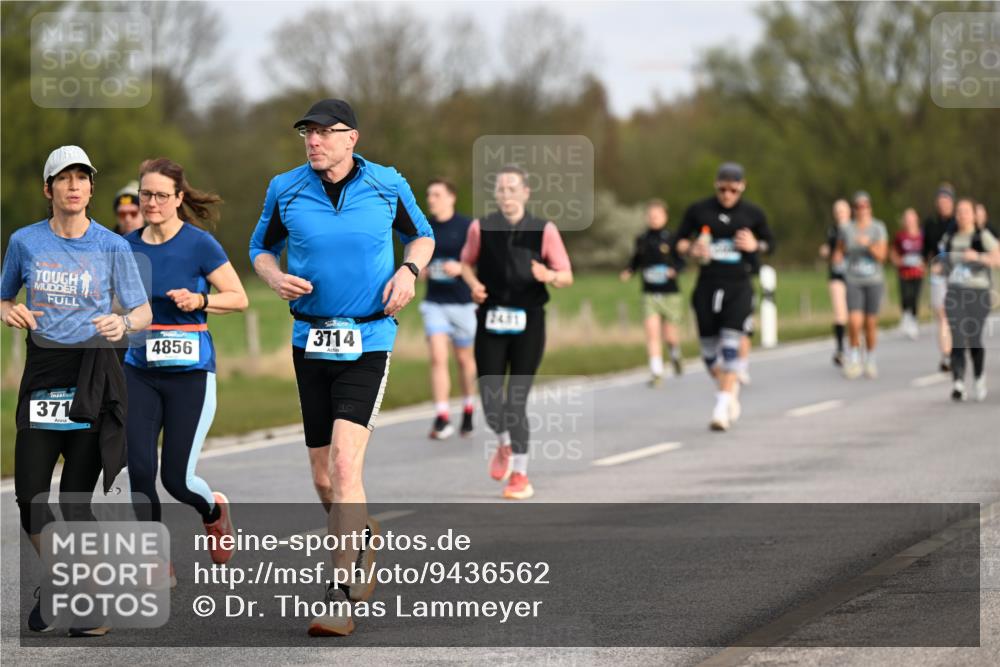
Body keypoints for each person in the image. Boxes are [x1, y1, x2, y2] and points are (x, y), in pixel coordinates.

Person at [249, 99, 434, 636]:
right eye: (307, 132)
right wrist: (271, 276)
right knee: (324, 476)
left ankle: (337, 594)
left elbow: (422, 234)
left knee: (348, 468)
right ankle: (363, 535)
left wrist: (409, 271)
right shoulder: (285, 188)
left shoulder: (386, 183)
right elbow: (260, 247)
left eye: (325, 132)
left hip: (369, 336)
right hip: (310, 338)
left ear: (351, 137)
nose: (313, 141)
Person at [1, 146, 152, 636]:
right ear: (48, 190)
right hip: (43, 373)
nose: (73, 186)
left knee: (75, 501)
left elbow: (142, 312)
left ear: (91, 188)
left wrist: (122, 321)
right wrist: (8, 310)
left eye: (81, 178)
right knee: (29, 496)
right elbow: (4, 295)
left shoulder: (113, 246)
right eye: (62, 178)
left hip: (93, 372)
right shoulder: (24, 242)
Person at [124, 158, 248, 569]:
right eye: (146, 194)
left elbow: (239, 297)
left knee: (176, 480)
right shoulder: (126, 246)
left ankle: (213, 510)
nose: (152, 202)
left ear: (179, 198)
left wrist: (201, 300)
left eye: (161, 195)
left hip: (190, 374)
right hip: (138, 370)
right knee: (140, 469)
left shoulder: (199, 244)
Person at [460, 165, 573, 500]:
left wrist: (547, 275)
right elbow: (466, 263)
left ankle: (521, 475)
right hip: (491, 319)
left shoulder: (544, 230)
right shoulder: (481, 227)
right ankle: (506, 444)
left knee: (516, 401)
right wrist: (474, 285)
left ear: (526, 193)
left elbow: (566, 275)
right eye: (501, 190)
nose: (506, 195)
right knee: (491, 398)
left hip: (529, 321)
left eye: (513, 189)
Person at [675, 162, 773, 432]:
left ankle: (720, 408)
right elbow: (678, 241)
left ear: (742, 187)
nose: (727, 195)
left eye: (732, 189)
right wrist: (692, 248)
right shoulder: (700, 210)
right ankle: (729, 391)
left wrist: (755, 245)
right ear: (716, 186)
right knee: (709, 355)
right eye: (722, 189)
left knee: (731, 345)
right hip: (707, 285)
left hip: (738, 285)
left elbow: (770, 243)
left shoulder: (752, 213)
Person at [419, 178, 477, 439]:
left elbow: (481, 262)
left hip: (463, 303)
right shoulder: (424, 228)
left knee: (464, 360)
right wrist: (421, 270)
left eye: (437, 195)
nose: (432, 199)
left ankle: (468, 409)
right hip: (435, 303)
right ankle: (442, 416)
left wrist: (461, 268)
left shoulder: (467, 227)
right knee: (437, 357)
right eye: (430, 195)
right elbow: (416, 260)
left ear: (451, 197)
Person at [619, 198, 685, 386]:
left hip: (670, 292)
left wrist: (675, 270)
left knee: (670, 336)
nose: (654, 219)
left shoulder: (672, 238)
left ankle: (675, 353)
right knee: (652, 333)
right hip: (649, 293)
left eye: (657, 216)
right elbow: (636, 260)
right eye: (650, 216)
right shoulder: (642, 239)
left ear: (665, 216)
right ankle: (656, 371)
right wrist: (629, 271)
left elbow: (682, 261)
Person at [941, 197, 1000, 401]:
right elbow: (943, 260)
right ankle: (958, 382)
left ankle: (979, 376)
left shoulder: (982, 236)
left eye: (966, 211)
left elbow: (997, 259)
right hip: (955, 292)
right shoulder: (950, 238)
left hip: (978, 292)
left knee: (973, 339)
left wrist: (979, 257)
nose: (962, 215)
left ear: (974, 214)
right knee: (957, 336)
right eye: (959, 212)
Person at [834, 191, 888, 379]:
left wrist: (868, 245)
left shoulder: (878, 228)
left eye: (865, 206)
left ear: (870, 208)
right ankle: (855, 357)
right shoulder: (848, 229)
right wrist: (837, 258)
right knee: (855, 322)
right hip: (854, 280)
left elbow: (882, 256)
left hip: (873, 280)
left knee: (870, 323)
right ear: (854, 209)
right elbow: (839, 250)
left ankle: (870, 359)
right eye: (859, 206)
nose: (862, 210)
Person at [923, 183, 957, 372]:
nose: (943, 203)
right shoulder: (930, 224)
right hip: (938, 276)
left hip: (958, 274)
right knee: (942, 314)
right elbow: (926, 251)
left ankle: (957, 349)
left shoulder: (959, 222)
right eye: (940, 200)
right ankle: (947, 355)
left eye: (947, 199)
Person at [819, 199, 852, 365]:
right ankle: (840, 349)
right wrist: (826, 251)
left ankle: (855, 347)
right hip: (837, 275)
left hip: (854, 276)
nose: (840, 214)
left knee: (854, 314)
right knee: (840, 313)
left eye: (842, 211)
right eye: (837, 211)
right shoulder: (832, 230)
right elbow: (830, 250)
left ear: (849, 212)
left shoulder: (855, 229)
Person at [890, 207, 925, 340]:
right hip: (904, 272)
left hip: (918, 272)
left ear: (916, 219)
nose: (909, 221)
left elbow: (927, 252)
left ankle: (914, 321)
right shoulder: (900, 236)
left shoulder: (922, 235)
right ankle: (905, 317)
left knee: (915, 297)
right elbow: (893, 251)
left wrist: (925, 263)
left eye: (912, 218)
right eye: (907, 219)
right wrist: (898, 261)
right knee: (905, 296)